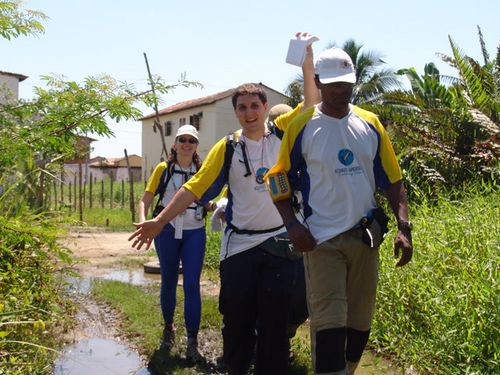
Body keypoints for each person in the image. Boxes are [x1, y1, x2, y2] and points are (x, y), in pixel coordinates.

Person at [130, 34, 320, 375]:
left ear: (265, 109)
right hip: (239, 246)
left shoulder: (282, 132)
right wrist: (159, 221)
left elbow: (310, 104)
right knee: (236, 321)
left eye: (254, 106)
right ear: (236, 112)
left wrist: (307, 61)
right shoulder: (227, 148)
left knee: (275, 325)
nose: (249, 113)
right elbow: (193, 188)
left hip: (278, 242)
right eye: (242, 107)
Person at [266, 47, 413, 375]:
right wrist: (292, 225)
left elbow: (393, 180)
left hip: (365, 240)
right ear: (318, 81)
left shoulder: (370, 124)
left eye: (346, 82)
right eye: (332, 83)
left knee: (359, 327)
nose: (340, 89)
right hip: (321, 242)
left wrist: (404, 228)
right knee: (329, 327)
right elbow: (277, 179)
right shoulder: (302, 125)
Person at [137, 124, 214, 361]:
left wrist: (213, 207)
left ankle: (192, 340)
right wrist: (145, 224)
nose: (187, 144)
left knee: (192, 283)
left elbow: (207, 200)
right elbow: (145, 200)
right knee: (169, 280)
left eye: (192, 140)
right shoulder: (164, 169)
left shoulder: (202, 170)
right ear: (175, 144)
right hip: (166, 230)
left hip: (195, 231)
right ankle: (168, 328)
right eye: (183, 139)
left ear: (196, 145)